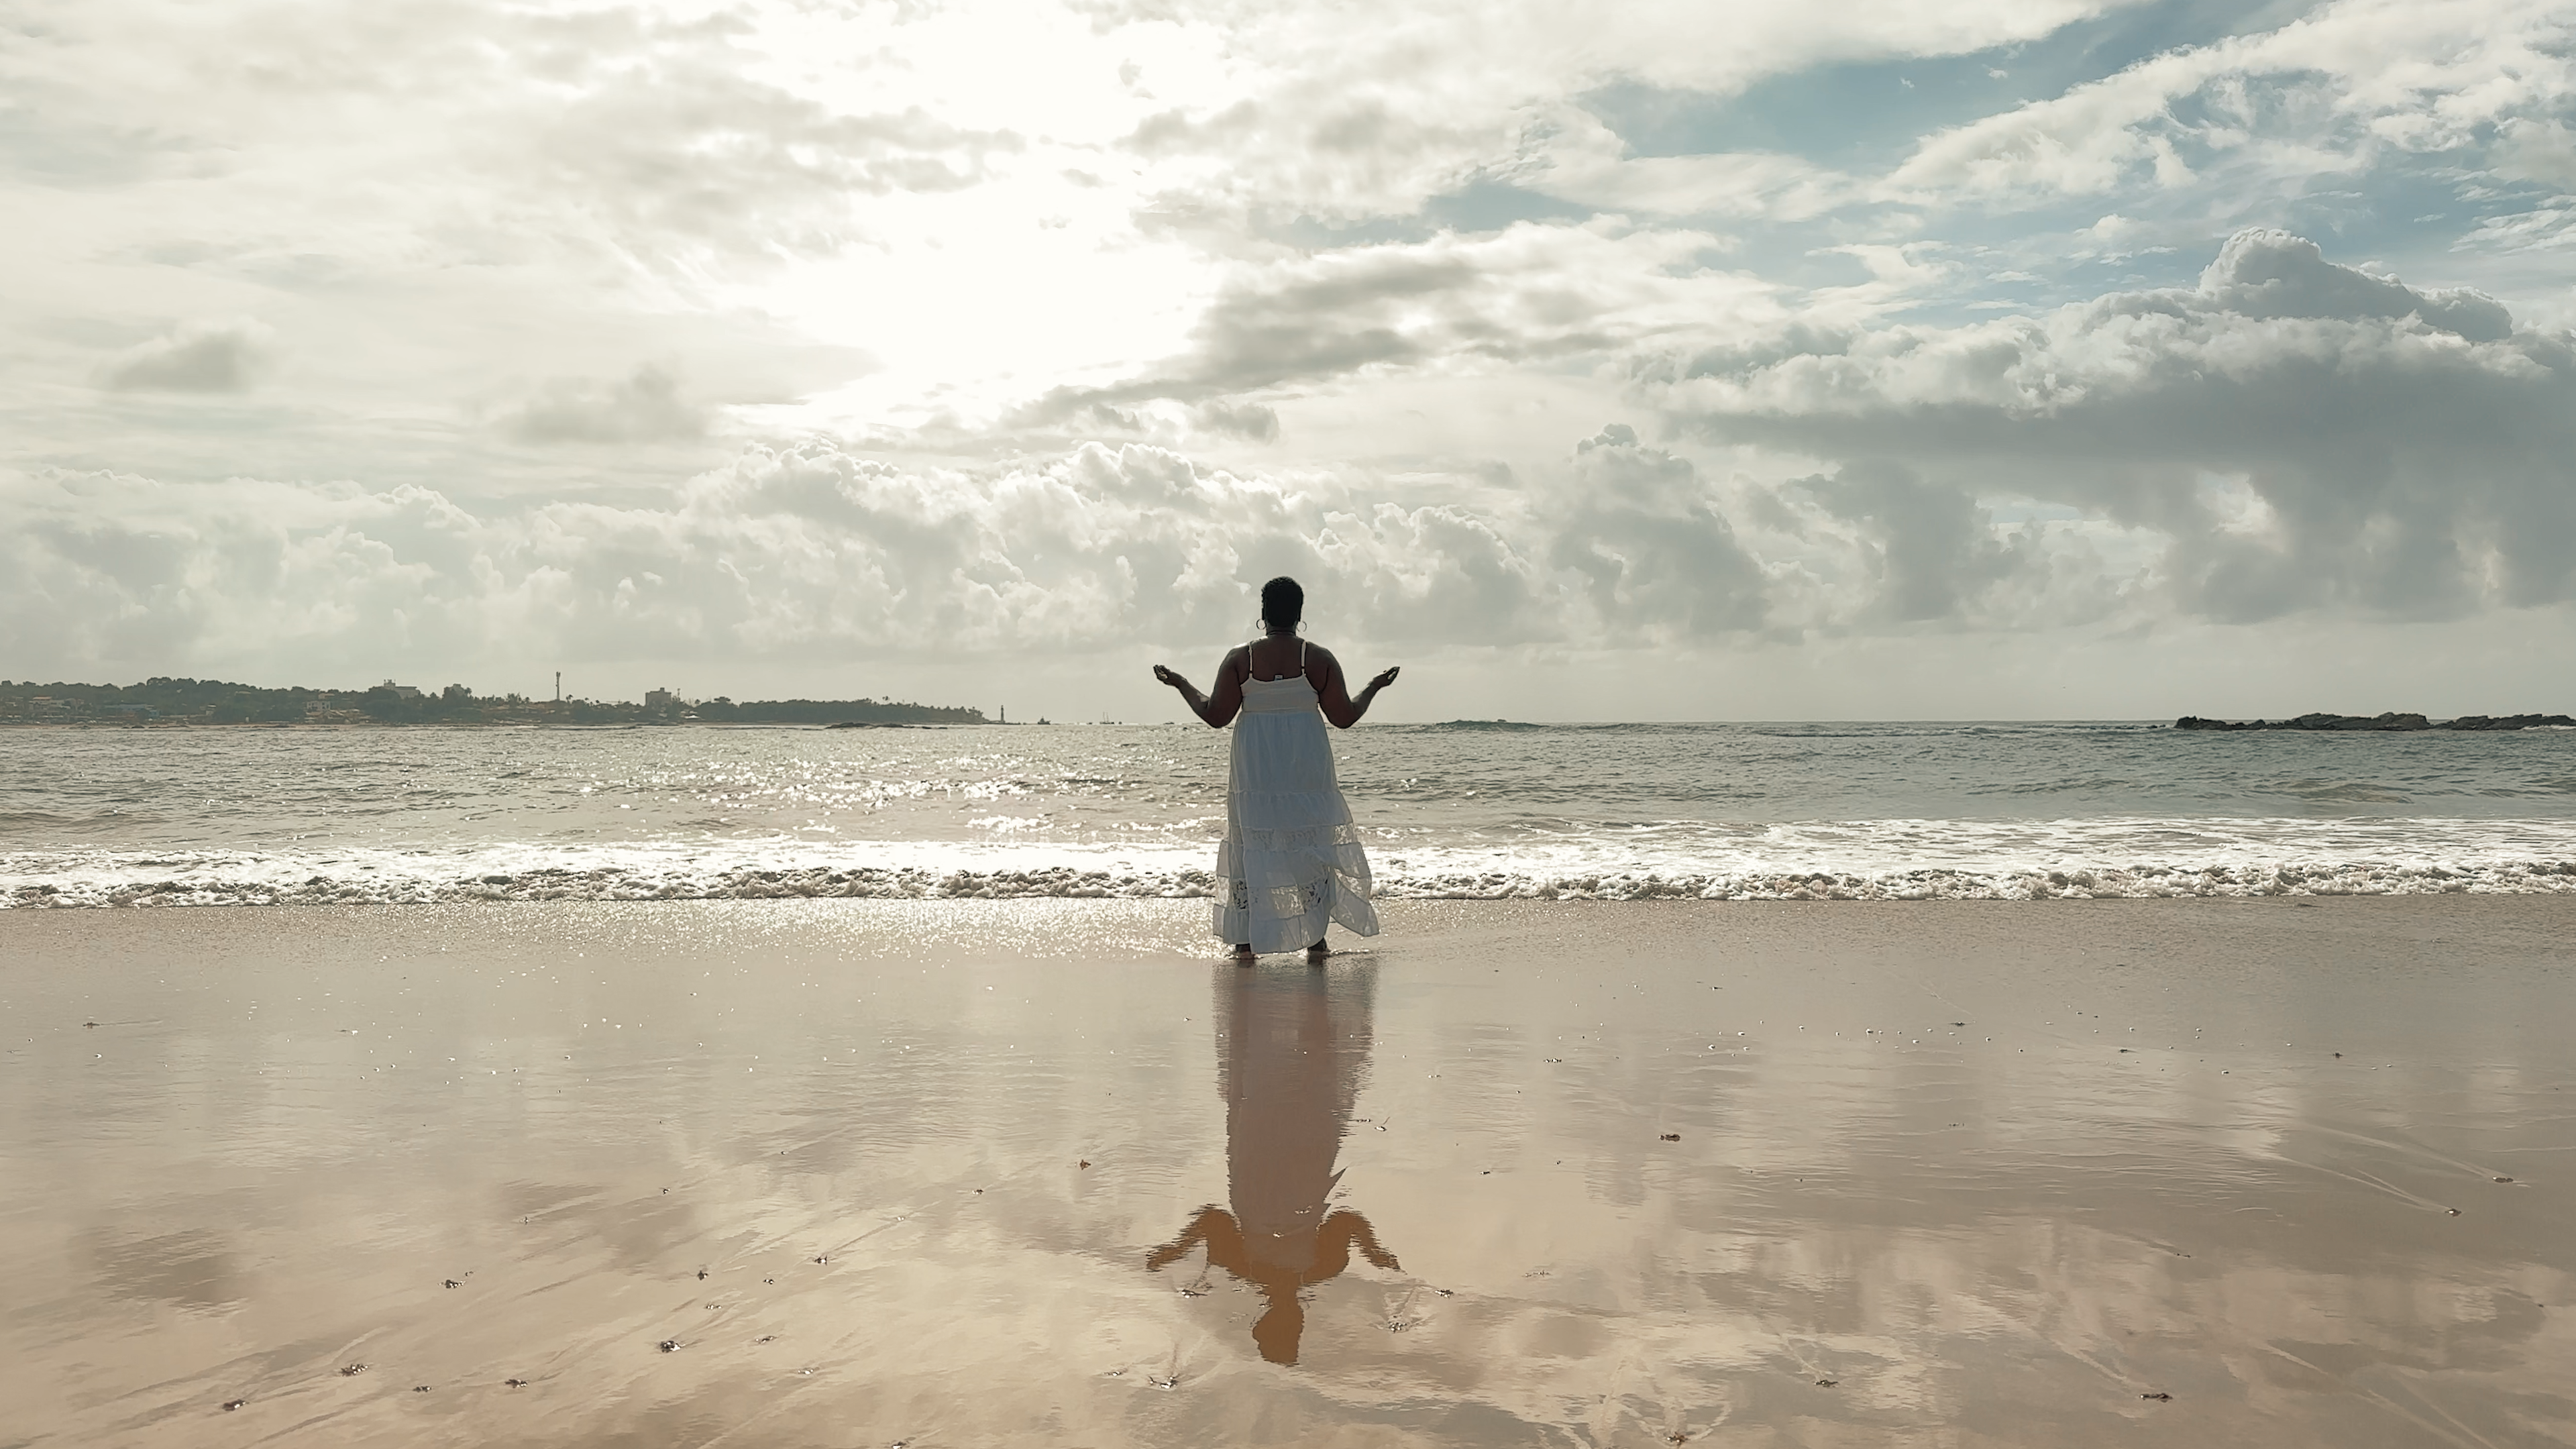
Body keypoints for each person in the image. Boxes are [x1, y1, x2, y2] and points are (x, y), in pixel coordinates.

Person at [1144, 961, 1397, 1365]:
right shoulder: (1282, 1267)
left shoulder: (1276, 1266)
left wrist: (1177, 1250)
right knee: (1295, 1087)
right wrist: (1373, 1250)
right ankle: (1307, 1001)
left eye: (1287, 1323)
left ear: (1272, 1318)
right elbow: (1347, 1222)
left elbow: (1212, 1220)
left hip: (1275, 1166)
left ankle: (1294, 1002)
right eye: (1292, 1323)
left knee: (1290, 1089)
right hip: (1278, 1167)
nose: (1291, 1315)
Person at [1152, 576, 1397, 963]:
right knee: (1309, 844)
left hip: (1256, 768)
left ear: (1262, 613)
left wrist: (1182, 684)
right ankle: (1315, 941)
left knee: (1252, 843)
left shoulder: (1240, 659)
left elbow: (1216, 716)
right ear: (1300, 615)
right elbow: (1344, 717)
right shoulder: (1317, 659)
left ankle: (1246, 942)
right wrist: (1373, 686)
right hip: (1306, 767)